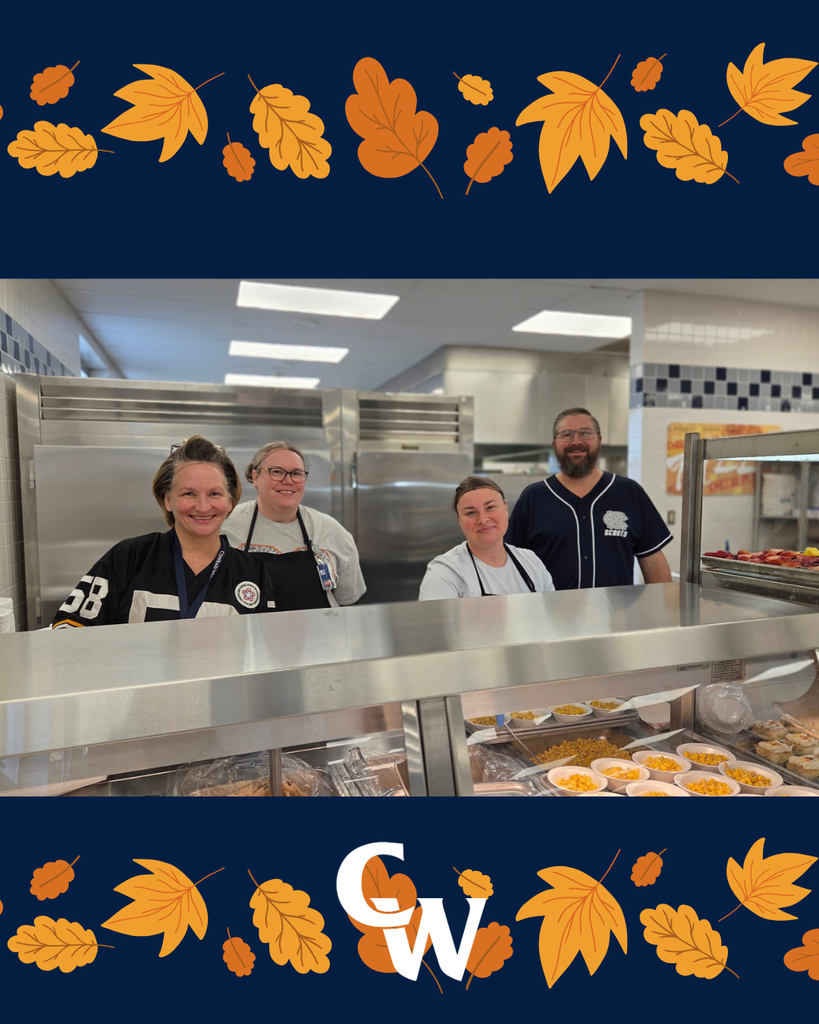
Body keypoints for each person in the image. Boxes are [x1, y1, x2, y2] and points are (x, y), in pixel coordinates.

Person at [52, 436, 277, 628]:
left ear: (230, 501)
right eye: (189, 493)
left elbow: (263, 654)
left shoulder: (252, 571)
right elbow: (69, 633)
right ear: (168, 500)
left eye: (214, 494)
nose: (202, 506)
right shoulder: (129, 557)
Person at [506, 407, 673, 590]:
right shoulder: (534, 498)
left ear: (599, 440)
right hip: (549, 616)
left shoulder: (629, 492)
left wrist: (663, 609)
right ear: (554, 444)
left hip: (616, 616)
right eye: (566, 434)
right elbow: (511, 564)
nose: (576, 441)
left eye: (585, 433)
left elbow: (652, 559)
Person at [222, 441, 366, 610]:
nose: (288, 480)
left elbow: (348, 603)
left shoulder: (332, 531)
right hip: (248, 635)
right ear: (255, 477)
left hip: (319, 635)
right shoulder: (225, 526)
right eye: (276, 471)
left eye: (296, 473)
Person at [419, 476, 555, 599]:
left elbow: (549, 618)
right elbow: (435, 626)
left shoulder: (531, 562)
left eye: (490, 507)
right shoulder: (445, 572)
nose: (483, 520)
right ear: (459, 519)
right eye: (471, 512)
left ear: (505, 508)